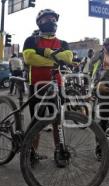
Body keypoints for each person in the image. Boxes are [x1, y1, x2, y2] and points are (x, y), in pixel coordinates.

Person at [22, 9, 73, 163]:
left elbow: (68, 57)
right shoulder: (31, 40)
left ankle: (59, 152)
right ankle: (32, 153)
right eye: (47, 18)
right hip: (37, 86)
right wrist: (55, 59)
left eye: (53, 18)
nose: (51, 21)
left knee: (57, 120)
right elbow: (29, 58)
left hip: (56, 85)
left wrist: (43, 53)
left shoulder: (63, 43)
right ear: (39, 22)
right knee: (36, 122)